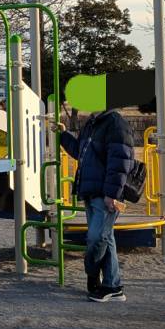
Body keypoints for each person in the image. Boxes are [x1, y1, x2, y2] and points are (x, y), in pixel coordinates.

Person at [58, 107, 136, 302]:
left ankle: (94, 274)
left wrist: (112, 194)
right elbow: (80, 153)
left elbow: (120, 163)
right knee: (105, 237)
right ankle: (113, 285)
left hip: (106, 193)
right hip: (92, 190)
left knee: (97, 237)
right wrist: (63, 135)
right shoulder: (92, 124)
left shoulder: (116, 124)